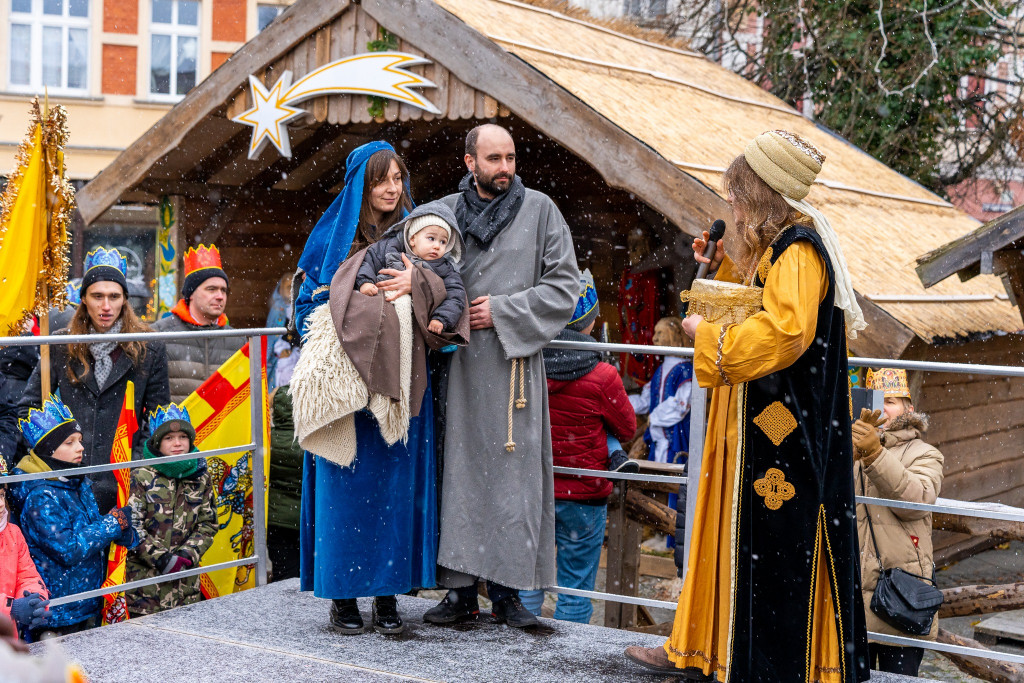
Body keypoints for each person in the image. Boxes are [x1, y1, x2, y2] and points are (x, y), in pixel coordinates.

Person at [625, 130, 870, 681]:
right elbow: (754, 300)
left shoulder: (800, 251)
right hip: (757, 421)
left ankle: (788, 665)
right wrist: (715, 269)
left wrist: (704, 337)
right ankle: (706, 647)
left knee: (779, 551)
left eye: (736, 193)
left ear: (761, 192)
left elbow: (785, 331)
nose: (730, 204)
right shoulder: (777, 248)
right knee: (730, 536)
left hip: (783, 428)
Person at [424, 124, 579, 629]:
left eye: (510, 157)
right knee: (459, 476)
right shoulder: (442, 213)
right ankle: (460, 592)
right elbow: (415, 270)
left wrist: (508, 310)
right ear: (470, 162)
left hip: (513, 369)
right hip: (456, 365)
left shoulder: (541, 211)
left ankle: (510, 594)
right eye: (493, 158)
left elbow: (565, 286)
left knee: (513, 482)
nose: (505, 168)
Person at [293, 141, 435, 636]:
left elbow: (445, 287)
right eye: (382, 180)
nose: (393, 189)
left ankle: (389, 593)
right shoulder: (332, 235)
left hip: (399, 383)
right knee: (344, 490)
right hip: (345, 386)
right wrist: (350, 301)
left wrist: (417, 287)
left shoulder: (417, 234)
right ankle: (344, 594)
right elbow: (302, 309)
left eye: (398, 178)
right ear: (361, 184)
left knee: (394, 489)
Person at [519, 269, 636, 624]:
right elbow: (628, 427)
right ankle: (571, 661)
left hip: (535, 491)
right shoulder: (603, 376)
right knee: (576, 587)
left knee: (527, 583)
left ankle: (515, 658)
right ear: (588, 323)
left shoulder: (528, 364)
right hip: (584, 493)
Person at [19, 247, 170, 512]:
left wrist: (135, 462)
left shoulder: (149, 349)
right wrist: (55, 450)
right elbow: (29, 409)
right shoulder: (61, 344)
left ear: (125, 299)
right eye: (97, 296)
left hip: (126, 483)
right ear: (84, 299)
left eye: (114, 296)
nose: (106, 306)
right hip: (68, 483)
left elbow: (159, 420)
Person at [11, 395, 137, 637]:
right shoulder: (41, 494)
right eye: (69, 442)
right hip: (58, 612)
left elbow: (89, 529)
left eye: (79, 440)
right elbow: (69, 549)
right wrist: (112, 524)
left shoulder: (75, 480)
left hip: (84, 602)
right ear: (48, 450)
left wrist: (121, 532)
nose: (80, 447)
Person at [854, 368, 943, 676]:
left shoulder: (925, 454)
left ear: (909, 408)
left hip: (899, 599)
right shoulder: (849, 451)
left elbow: (916, 502)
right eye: (877, 400)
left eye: (891, 401)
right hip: (854, 603)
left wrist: (875, 454)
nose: (883, 408)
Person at [125, 403, 218, 616]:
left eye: (182, 437)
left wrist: (187, 555)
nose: (177, 443)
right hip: (145, 589)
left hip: (186, 588)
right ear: (158, 443)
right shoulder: (141, 476)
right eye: (169, 438)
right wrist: (161, 559)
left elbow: (208, 523)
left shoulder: (201, 476)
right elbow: (132, 527)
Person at [355, 205, 466, 334]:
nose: (437, 246)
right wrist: (364, 282)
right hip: (378, 309)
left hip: (415, 323)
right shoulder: (390, 247)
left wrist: (441, 318)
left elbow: (456, 296)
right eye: (431, 238)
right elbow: (368, 260)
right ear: (413, 239)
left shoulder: (445, 269)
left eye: (443, 242)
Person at [152, 244, 238, 404]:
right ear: (191, 294)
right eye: (211, 289)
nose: (220, 296)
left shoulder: (238, 341)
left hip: (221, 428)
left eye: (223, 290)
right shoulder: (159, 334)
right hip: (176, 427)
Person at [630, 316, 693, 466]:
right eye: (655, 333)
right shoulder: (660, 370)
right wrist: (622, 401)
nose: (654, 338)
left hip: (675, 436)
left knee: (672, 473)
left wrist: (654, 417)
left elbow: (680, 405)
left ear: (674, 335)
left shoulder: (685, 370)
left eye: (660, 333)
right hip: (656, 438)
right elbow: (647, 400)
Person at [0, 479, 50, 636]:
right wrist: (10, 607)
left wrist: (34, 600)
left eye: (1, 495)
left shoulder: (12, 533)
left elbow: (27, 575)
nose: (1, 504)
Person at [267, 385, 303, 582]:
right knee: (309, 573)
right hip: (307, 518)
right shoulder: (313, 440)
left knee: (284, 574)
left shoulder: (266, 440)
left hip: (276, 520)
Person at [266, 274, 293, 391]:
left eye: (293, 286)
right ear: (281, 289)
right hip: (280, 357)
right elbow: (272, 337)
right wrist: (279, 351)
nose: (290, 290)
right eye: (287, 287)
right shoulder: (277, 309)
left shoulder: (299, 307)